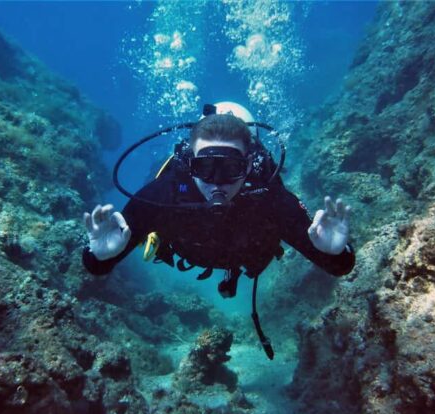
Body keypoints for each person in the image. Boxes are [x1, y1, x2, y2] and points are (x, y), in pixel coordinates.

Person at [81, 102, 354, 359]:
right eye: (205, 167)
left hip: (247, 257)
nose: (217, 183)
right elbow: (99, 265)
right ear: (190, 163)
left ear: (248, 165)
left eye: (231, 168)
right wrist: (99, 256)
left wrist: (336, 251)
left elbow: (338, 266)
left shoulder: (270, 198)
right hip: (189, 251)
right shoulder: (167, 192)